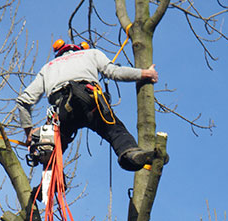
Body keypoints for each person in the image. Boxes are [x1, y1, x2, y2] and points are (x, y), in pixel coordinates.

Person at [16, 39, 159, 171]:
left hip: (63, 111)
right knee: (115, 130)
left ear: (58, 52)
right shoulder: (91, 53)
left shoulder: (47, 68)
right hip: (89, 101)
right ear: (81, 49)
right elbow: (114, 72)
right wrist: (145, 73)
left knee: (53, 151)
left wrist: (29, 133)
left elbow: (23, 101)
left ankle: (45, 187)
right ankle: (131, 154)